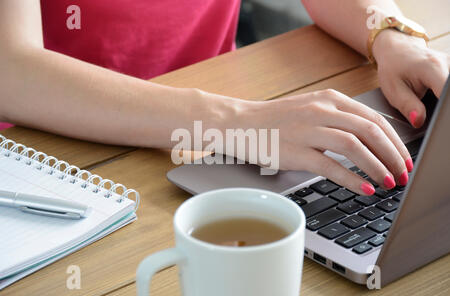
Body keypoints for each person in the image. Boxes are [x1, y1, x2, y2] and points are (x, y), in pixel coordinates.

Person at [0, 0, 448, 196]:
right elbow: (10, 70)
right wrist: (234, 123)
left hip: (221, 138)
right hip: (55, 158)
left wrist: (391, 36)